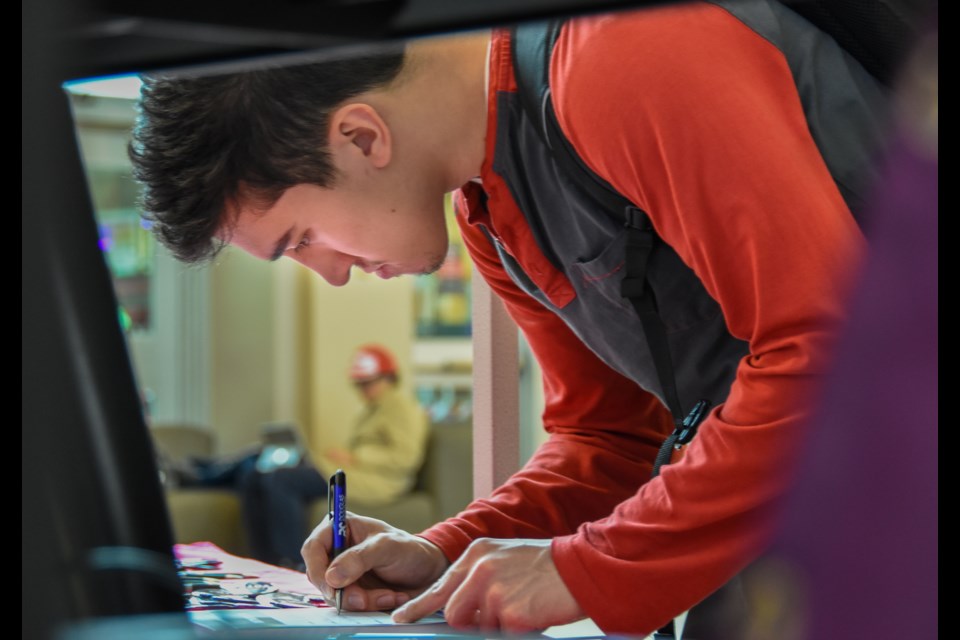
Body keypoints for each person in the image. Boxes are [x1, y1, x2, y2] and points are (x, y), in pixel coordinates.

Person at [129, 1, 876, 634]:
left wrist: (587, 569)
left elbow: (837, 359)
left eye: (301, 240)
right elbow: (613, 440)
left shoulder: (619, 51)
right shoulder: (487, 210)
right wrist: (448, 556)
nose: (328, 273)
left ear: (361, 137)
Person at [241, 344, 429, 567]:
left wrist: (355, 457)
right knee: (260, 475)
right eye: (360, 385)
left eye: (368, 384)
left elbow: (406, 458)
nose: (363, 391)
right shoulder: (372, 410)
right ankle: (265, 560)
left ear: (388, 378)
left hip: (377, 482)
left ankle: (292, 562)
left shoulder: (401, 408)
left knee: (282, 480)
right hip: (355, 474)